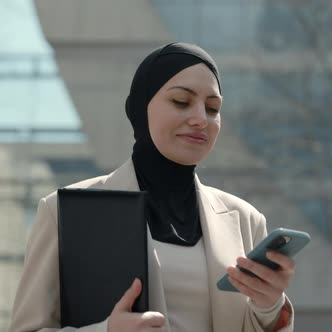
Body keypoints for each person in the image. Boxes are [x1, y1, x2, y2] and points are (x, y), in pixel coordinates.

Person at [9, 42, 295, 332]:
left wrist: (269, 304)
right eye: (181, 101)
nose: (200, 119)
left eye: (212, 108)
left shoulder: (246, 221)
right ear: (139, 108)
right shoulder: (64, 212)